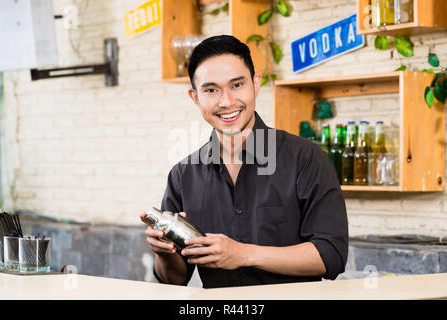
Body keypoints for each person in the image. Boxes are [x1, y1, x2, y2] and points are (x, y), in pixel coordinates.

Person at [140, 35, 348, 288]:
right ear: (195, 97)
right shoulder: (183, 175)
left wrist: (243, 254)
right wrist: (165, 252)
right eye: (211, 90)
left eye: (237, 85)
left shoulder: (306, 158)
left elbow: (331, 255)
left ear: (255, 84)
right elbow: (175, 279)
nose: (226, 101)